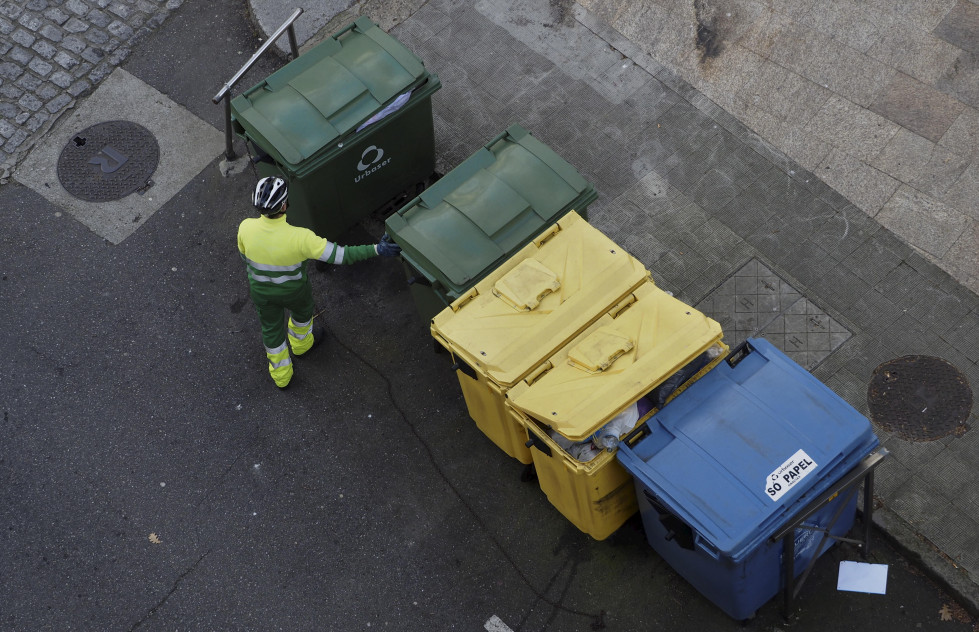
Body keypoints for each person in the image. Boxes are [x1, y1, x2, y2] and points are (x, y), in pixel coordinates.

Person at [237, 176, 401, 389]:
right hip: (295, 292)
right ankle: (302, 346)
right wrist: (377, 249)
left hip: (261, 293)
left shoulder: (245, 227)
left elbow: (244, 257)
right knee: (302, 318)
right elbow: (342, 256)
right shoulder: (302, 238)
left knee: (271, 331)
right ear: (284, 205)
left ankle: (282, 377)